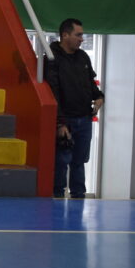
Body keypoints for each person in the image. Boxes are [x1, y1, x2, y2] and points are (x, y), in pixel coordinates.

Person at [44, 18, 104, 199]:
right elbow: (52, 93)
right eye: (78, 35)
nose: (81, 39)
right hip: (65, 120)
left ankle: (79, 198)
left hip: (84, 119)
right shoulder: (52, 58)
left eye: (82, 35)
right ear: (65, 35)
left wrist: (100, 97)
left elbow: (91, 86)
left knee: (79, 162)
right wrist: (60, 123)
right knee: (61, 162)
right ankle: (56, 197)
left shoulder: (83, 57)